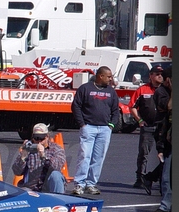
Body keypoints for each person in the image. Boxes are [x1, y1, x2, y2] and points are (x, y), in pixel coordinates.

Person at [71, 66, 119, 195]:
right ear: (100, 76)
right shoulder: (85, 88)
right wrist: (82, 124)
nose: (111, 79)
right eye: (108, 77)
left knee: (98, 158)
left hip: (104, 129)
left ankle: (91, 184)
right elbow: (76, 106)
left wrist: (111, 125)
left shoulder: (111, 92)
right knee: (84, 156)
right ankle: (79, 184)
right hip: (88, 127)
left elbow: (116, 110)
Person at [129, 65, 163, 189]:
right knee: (144, 153)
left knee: (163, 154)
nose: (160, 76)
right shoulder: (142, 90)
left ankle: (162, 179)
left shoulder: (166, 90)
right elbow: (132, 106)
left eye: (161, 74)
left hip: (162, 128)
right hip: (147, 126)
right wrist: (140, 120)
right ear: (151, 75)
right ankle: (140, 178)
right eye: (157, 74)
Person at [142, 65, 172, 195]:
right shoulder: (161, 92)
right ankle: (162, 187)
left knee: (169, 159)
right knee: (165, 158)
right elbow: (168, 106)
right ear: (168, 80)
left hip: (170, 127)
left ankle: (150, 178)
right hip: (162, 129)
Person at [11, 123, 67, 193]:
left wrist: (43, 156)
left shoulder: (56, 149)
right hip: (31, 187)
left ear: (47, 137)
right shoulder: (28, 148)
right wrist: (23, 156)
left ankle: (58, 198)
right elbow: (17, 172)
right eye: (36, 138)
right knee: (22, 192)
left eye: (41, 138)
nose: (39, 141)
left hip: (49, 186)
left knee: (56, 175)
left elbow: (56, 167)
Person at [153, 69, 172, 212]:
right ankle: (166, 205)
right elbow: (168, 106)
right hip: (165, 137)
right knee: (166, 174)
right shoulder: (161, 92)